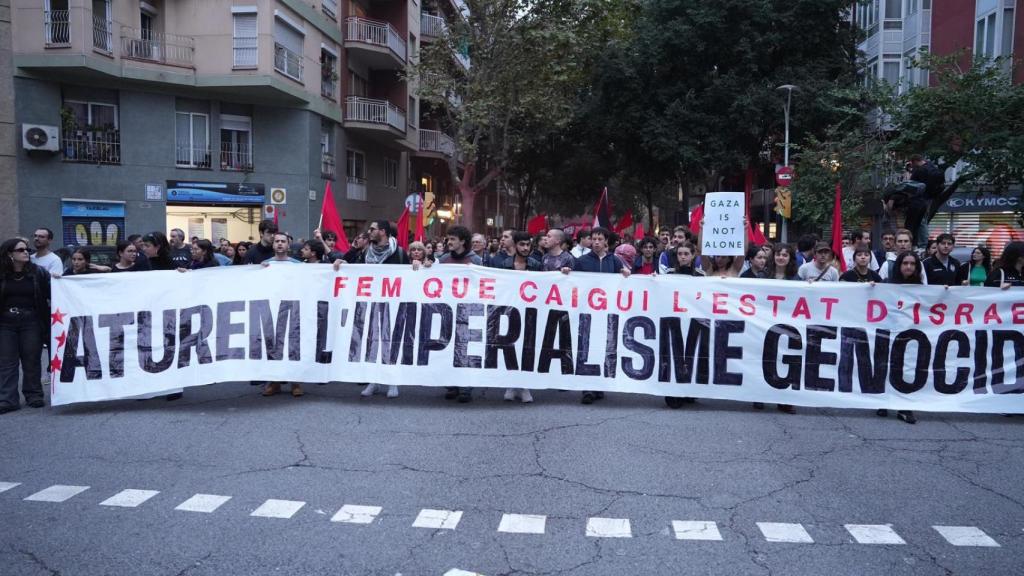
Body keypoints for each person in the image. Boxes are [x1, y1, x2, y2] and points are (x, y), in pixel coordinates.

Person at [567, 227, 629, 405]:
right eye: (593, 239)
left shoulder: (615, 261)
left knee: (604, 347)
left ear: (606, 242)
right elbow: (573, 281)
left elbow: (624, 282)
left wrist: (626, 275)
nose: (596, 242)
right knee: (587, 347)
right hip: (587, 312)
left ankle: (599, 384)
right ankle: (587, 387)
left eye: (600, 239)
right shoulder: (581, 261)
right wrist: (566, 273)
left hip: (608, 313)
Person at [0, 238, 52, 413]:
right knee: (7, 362)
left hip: (31, 320)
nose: (26, 253)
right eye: (21, 250)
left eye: (27, 250)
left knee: (32, 359)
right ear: (9, 254)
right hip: (5, 322)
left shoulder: (39, 273)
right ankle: (8, 399)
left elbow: (54, 291)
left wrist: (60, 281)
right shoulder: (2, 273)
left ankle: (34, 395)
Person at [435, 226, 482, 403]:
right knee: (448, 348)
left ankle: (466, 387)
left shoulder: (476, 260)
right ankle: (451, 385)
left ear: (462, 241)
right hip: (447, 309)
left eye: (453, 239)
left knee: (465, 349)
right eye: (448, 239)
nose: (449, 242)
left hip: (468, 310)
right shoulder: (444, 259)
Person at [879, 251, 926, 424]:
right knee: (886, 365)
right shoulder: (886, 284)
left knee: (906, 368)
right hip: (889, 332)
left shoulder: (923, 288)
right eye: (905, 263)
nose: (908, 267)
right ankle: (883, 401)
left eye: (912, 264)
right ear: (899, 266)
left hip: (910, 335)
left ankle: (904, 407)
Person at [259, 233, 304, 398]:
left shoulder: (297, 265)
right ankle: (274, 382)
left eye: (283, 242)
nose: (279, 244)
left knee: (293, 345)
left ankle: (295, 382)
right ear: (273, 245)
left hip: (292, 308)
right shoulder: (265, 265)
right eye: (277, 241)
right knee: (273, 345)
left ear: (288, 245)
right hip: (271, 310)